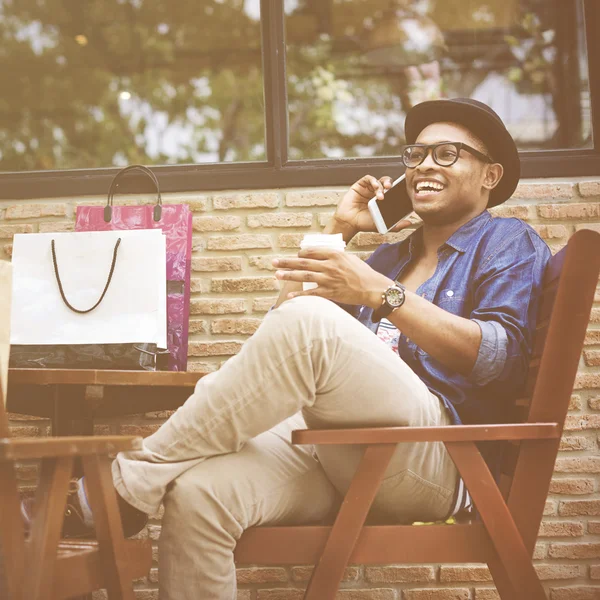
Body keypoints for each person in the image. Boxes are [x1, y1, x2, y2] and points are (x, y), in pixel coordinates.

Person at [22, 98, 551, 600]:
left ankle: (126, 486)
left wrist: (381, 295)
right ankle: (134, 489)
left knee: (312, 322)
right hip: (342, 452)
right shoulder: (390, 257)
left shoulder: (505, 241)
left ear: (490, 175)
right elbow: (284, 334)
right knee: (199, 495)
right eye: (414, 155)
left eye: (447, 153)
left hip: (435, 457)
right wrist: (341, 228)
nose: (423, 165)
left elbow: (499, 359)